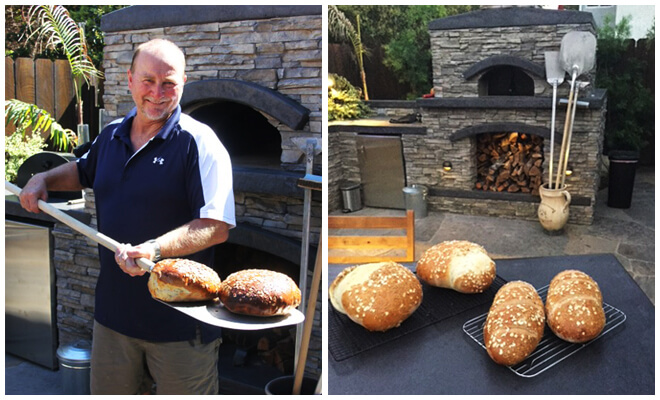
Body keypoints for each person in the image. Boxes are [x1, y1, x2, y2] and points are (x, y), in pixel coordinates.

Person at [18, 38, 236, 395]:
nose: (157, 92)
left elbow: (216, 226)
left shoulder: (200, 143)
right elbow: (86, 169)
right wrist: (44, 178)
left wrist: (153, 249)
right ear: (130, 79)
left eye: (169, 83)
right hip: (114, 321)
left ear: (183, 83)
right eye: (148, 81)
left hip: (181, 325)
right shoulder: (111, 135)